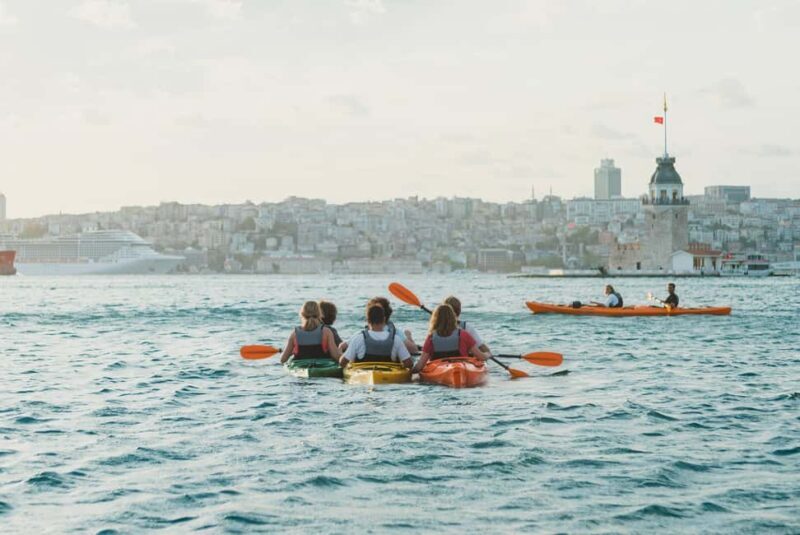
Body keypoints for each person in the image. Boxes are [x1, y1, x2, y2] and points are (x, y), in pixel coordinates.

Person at [412, 304, 489, 373]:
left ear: (435, 319)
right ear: (453, 318)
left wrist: (411, 372)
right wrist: (487, 354)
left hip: (439, 370)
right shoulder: (463, 334)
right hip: (462, 367)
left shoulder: (431, 337)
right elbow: (481, 357)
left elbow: (420, 365)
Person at [340, 303, 413, 369]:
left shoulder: (359, 338)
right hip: (388, 375)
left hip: (363, 375)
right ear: (384, 319)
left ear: (367, 320)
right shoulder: (395, 339)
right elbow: (409, 364)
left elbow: (342, 362)